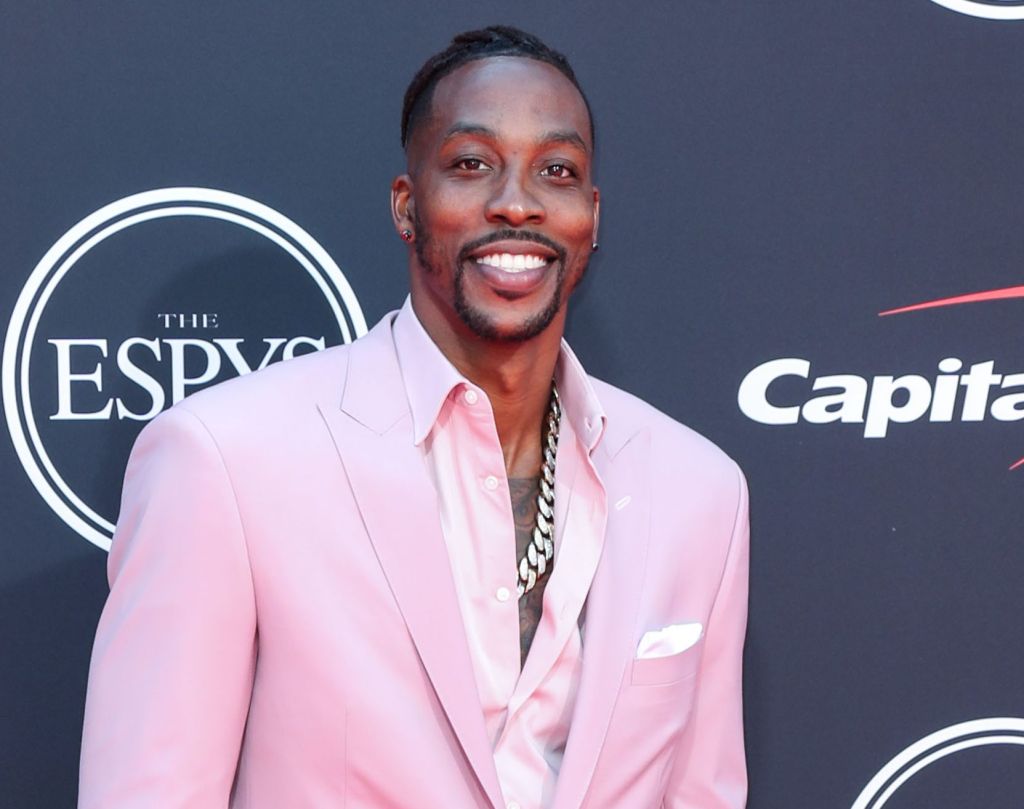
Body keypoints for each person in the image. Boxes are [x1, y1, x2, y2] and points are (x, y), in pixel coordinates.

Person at [79, 25, 750, 809]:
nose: (516, 202)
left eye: (556, 171)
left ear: (591, 218)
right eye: (472, 164)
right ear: (408, 205)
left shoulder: (700, 490)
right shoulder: (226, 460)